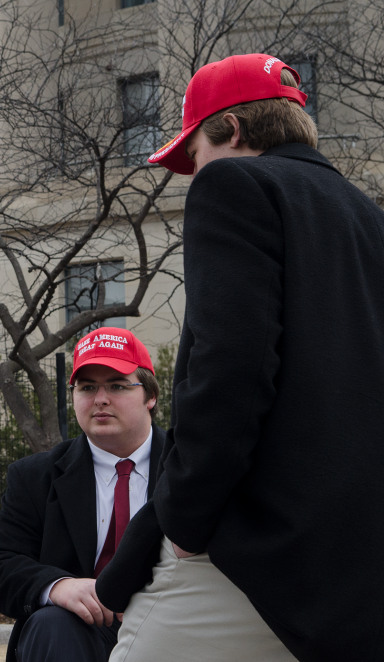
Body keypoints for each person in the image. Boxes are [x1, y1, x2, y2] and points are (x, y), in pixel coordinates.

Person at [97, 53, 384, 662]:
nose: (191, 172)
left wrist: (186, 521)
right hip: (360, 559)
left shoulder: (234, 184)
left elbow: (231, 371)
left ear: (230, 130)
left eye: (193, 153)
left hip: (257, 544)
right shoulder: (368, 217)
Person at [0, 327, 164, 662]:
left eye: (118, 386)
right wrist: (58, 586)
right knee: (52, 624)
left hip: (170, 624)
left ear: (150, 396)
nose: (101, 399)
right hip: (78, 630)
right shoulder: (35, 476)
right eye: (87, 387)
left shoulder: (189, 469)